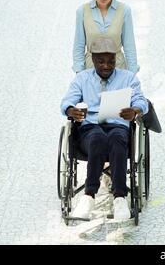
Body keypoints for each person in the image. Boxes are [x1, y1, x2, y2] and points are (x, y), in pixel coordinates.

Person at [61, 36, 148, 220]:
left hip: (117, 126)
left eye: (111, 61)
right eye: (101, 61)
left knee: (117, 138)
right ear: (92, 60)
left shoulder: (128, 78)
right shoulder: (82, 79)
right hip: (90, 129)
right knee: (98, 137)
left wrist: (134, 110)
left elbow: (142, 101)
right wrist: (72, 110)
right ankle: (89, 196)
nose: (107, 66)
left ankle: (119, 197)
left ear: (116, 59)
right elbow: (66, 102)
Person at [73, 0, 139, 74]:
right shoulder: (82, 12)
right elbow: (78, 46)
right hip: (90, 72)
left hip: (118, 71)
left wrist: (132, 75)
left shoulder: (124, 11)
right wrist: (80, 74)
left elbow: (129, 47)